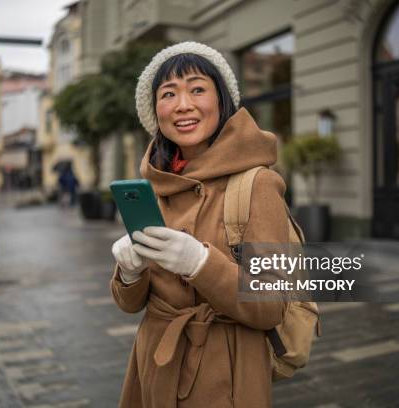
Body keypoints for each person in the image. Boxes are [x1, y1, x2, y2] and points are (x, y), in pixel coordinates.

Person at [110, 42, 292, 408]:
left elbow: (272, 305)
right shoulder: (155, 186)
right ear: (155, 111)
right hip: (154, 366)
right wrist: (130, 273)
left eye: (197, 89)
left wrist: (200, 264)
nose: (183, 105)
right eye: (168, 94)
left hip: (224, 372)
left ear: (221, 101)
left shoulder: (257, 183)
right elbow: (132, 305)